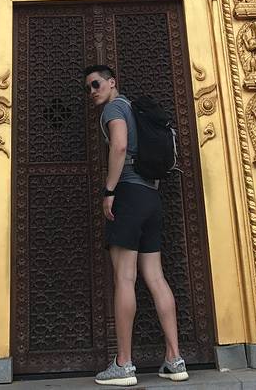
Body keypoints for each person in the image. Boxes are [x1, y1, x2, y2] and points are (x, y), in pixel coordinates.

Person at [84, 64, 188, 386]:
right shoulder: (135, 109)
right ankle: (174, 359)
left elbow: (119, 146)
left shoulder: (114, 108)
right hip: (151, 197)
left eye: (96, 84)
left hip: (128, 194)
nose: (92, 91)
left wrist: (109, 191)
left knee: (125, 277)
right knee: (155, 277)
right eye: (88, 88)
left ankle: (124, 363)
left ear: (111, 82)